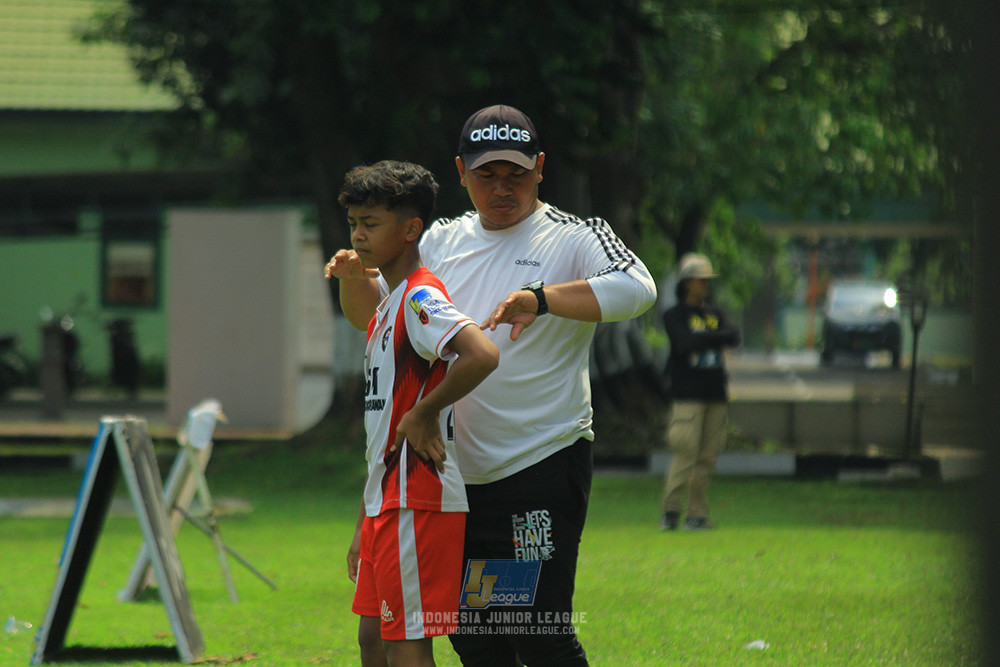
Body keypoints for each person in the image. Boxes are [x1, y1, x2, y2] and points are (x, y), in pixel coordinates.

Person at [332, 104, 657, 666]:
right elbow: (380, 319)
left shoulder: (573, 237)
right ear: (461, 172)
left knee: (536, 629)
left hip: (536, 466)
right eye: (487, 174)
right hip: (455, 478)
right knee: (478, 637)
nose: (501, 187)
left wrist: (543, 298)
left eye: (516, 173)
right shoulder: (439, 241)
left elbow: (638, 288)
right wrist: (354, 278)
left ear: (540, 169)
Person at [326, 160, 500, 667]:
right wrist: (366, 514)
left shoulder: (421, 295)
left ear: (411, 229)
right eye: (354, 223)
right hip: (387, 499)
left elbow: (482, 354)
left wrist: (425, 412)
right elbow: (381, 424)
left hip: (417, 498)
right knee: (373, 640)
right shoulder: (389, 304)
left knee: (405, 643)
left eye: (371, 224)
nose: (358, 235)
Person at [659, 252, 741, 531]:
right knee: (685, 454)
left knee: (707, 457)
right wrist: (711, 339)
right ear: (687, 283)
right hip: (687, 395)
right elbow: (683, 343)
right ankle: (670, 511)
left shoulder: (715, 313)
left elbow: (734, 335)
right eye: (700, 280)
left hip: (715, 394)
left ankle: (697, 514)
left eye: (708, 281)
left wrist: (702, 339)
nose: (706, 286)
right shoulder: (674, 315)